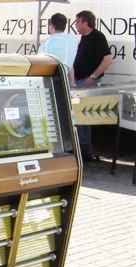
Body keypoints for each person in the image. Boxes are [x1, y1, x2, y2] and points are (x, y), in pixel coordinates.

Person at [73, 10, 113, 162]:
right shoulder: (83, 38)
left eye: (77, 22)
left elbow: (108, 59)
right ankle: (82, 149)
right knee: (78, 116)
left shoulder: (97, 37)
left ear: (85, 22)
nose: (75, 25)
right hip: (78, 81)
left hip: (87, 82)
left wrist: (93, 76)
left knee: (83, 116)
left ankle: (85, 152)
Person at [39, 13, 79, 83]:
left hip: (50, 81)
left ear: (52, 26)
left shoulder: (46, 44)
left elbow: (39, 64)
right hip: (65, 81)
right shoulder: (73, 40)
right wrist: (73, 83)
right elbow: (70, 63)